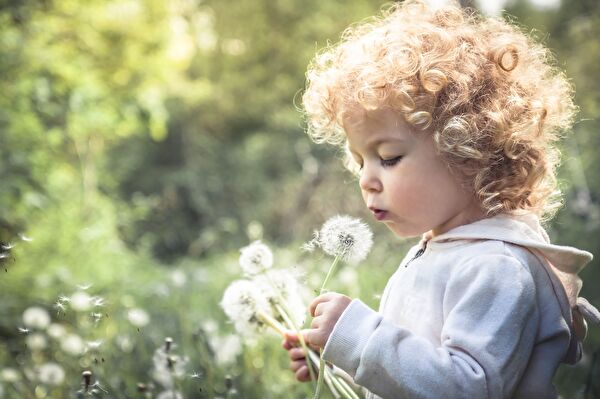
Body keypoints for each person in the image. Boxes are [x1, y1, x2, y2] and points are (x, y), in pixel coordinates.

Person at [282, 1, 599, 398]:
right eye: (359, 161)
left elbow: (465, 387)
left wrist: (359, 337)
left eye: (388, 158)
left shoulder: (496, 267)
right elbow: (419, 373)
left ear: (467, 151)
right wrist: (339, 354)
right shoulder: (445, 250)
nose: (366, 180)